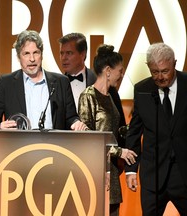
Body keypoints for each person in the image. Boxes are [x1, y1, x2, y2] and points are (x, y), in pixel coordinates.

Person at [125, 42, 187, 215]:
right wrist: (131, 169)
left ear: (174, 64)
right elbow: (134, 132)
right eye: (154, 72)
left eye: (165, 71)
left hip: (183, 174)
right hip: (153, 175)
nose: (160, 77)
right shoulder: (142, 89)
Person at [0, 30, 87, 131]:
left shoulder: (61, 82)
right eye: (26, 53)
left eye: (36, 53)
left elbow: (71, 118)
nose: (32, 59)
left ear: (41, 55)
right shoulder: (6, 83)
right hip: (19, 147)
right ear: (19, 57)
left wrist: (76, 123)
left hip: (55, 147)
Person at [78, 44, 137, 216]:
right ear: (108, 70)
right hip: (94, 172)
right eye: (120, 70)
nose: (122, 74)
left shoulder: (111, 96)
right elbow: (87, 138)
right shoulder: (88, 96)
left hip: (111, 171)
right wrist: (120, 151)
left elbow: (115, 130)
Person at [58, 33, 127, 138]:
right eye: (61, 53)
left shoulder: (103, 83)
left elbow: (119, 124)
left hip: (98, 148)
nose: (64, 58)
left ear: (83, 54)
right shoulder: (57, 86)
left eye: (69, 53)